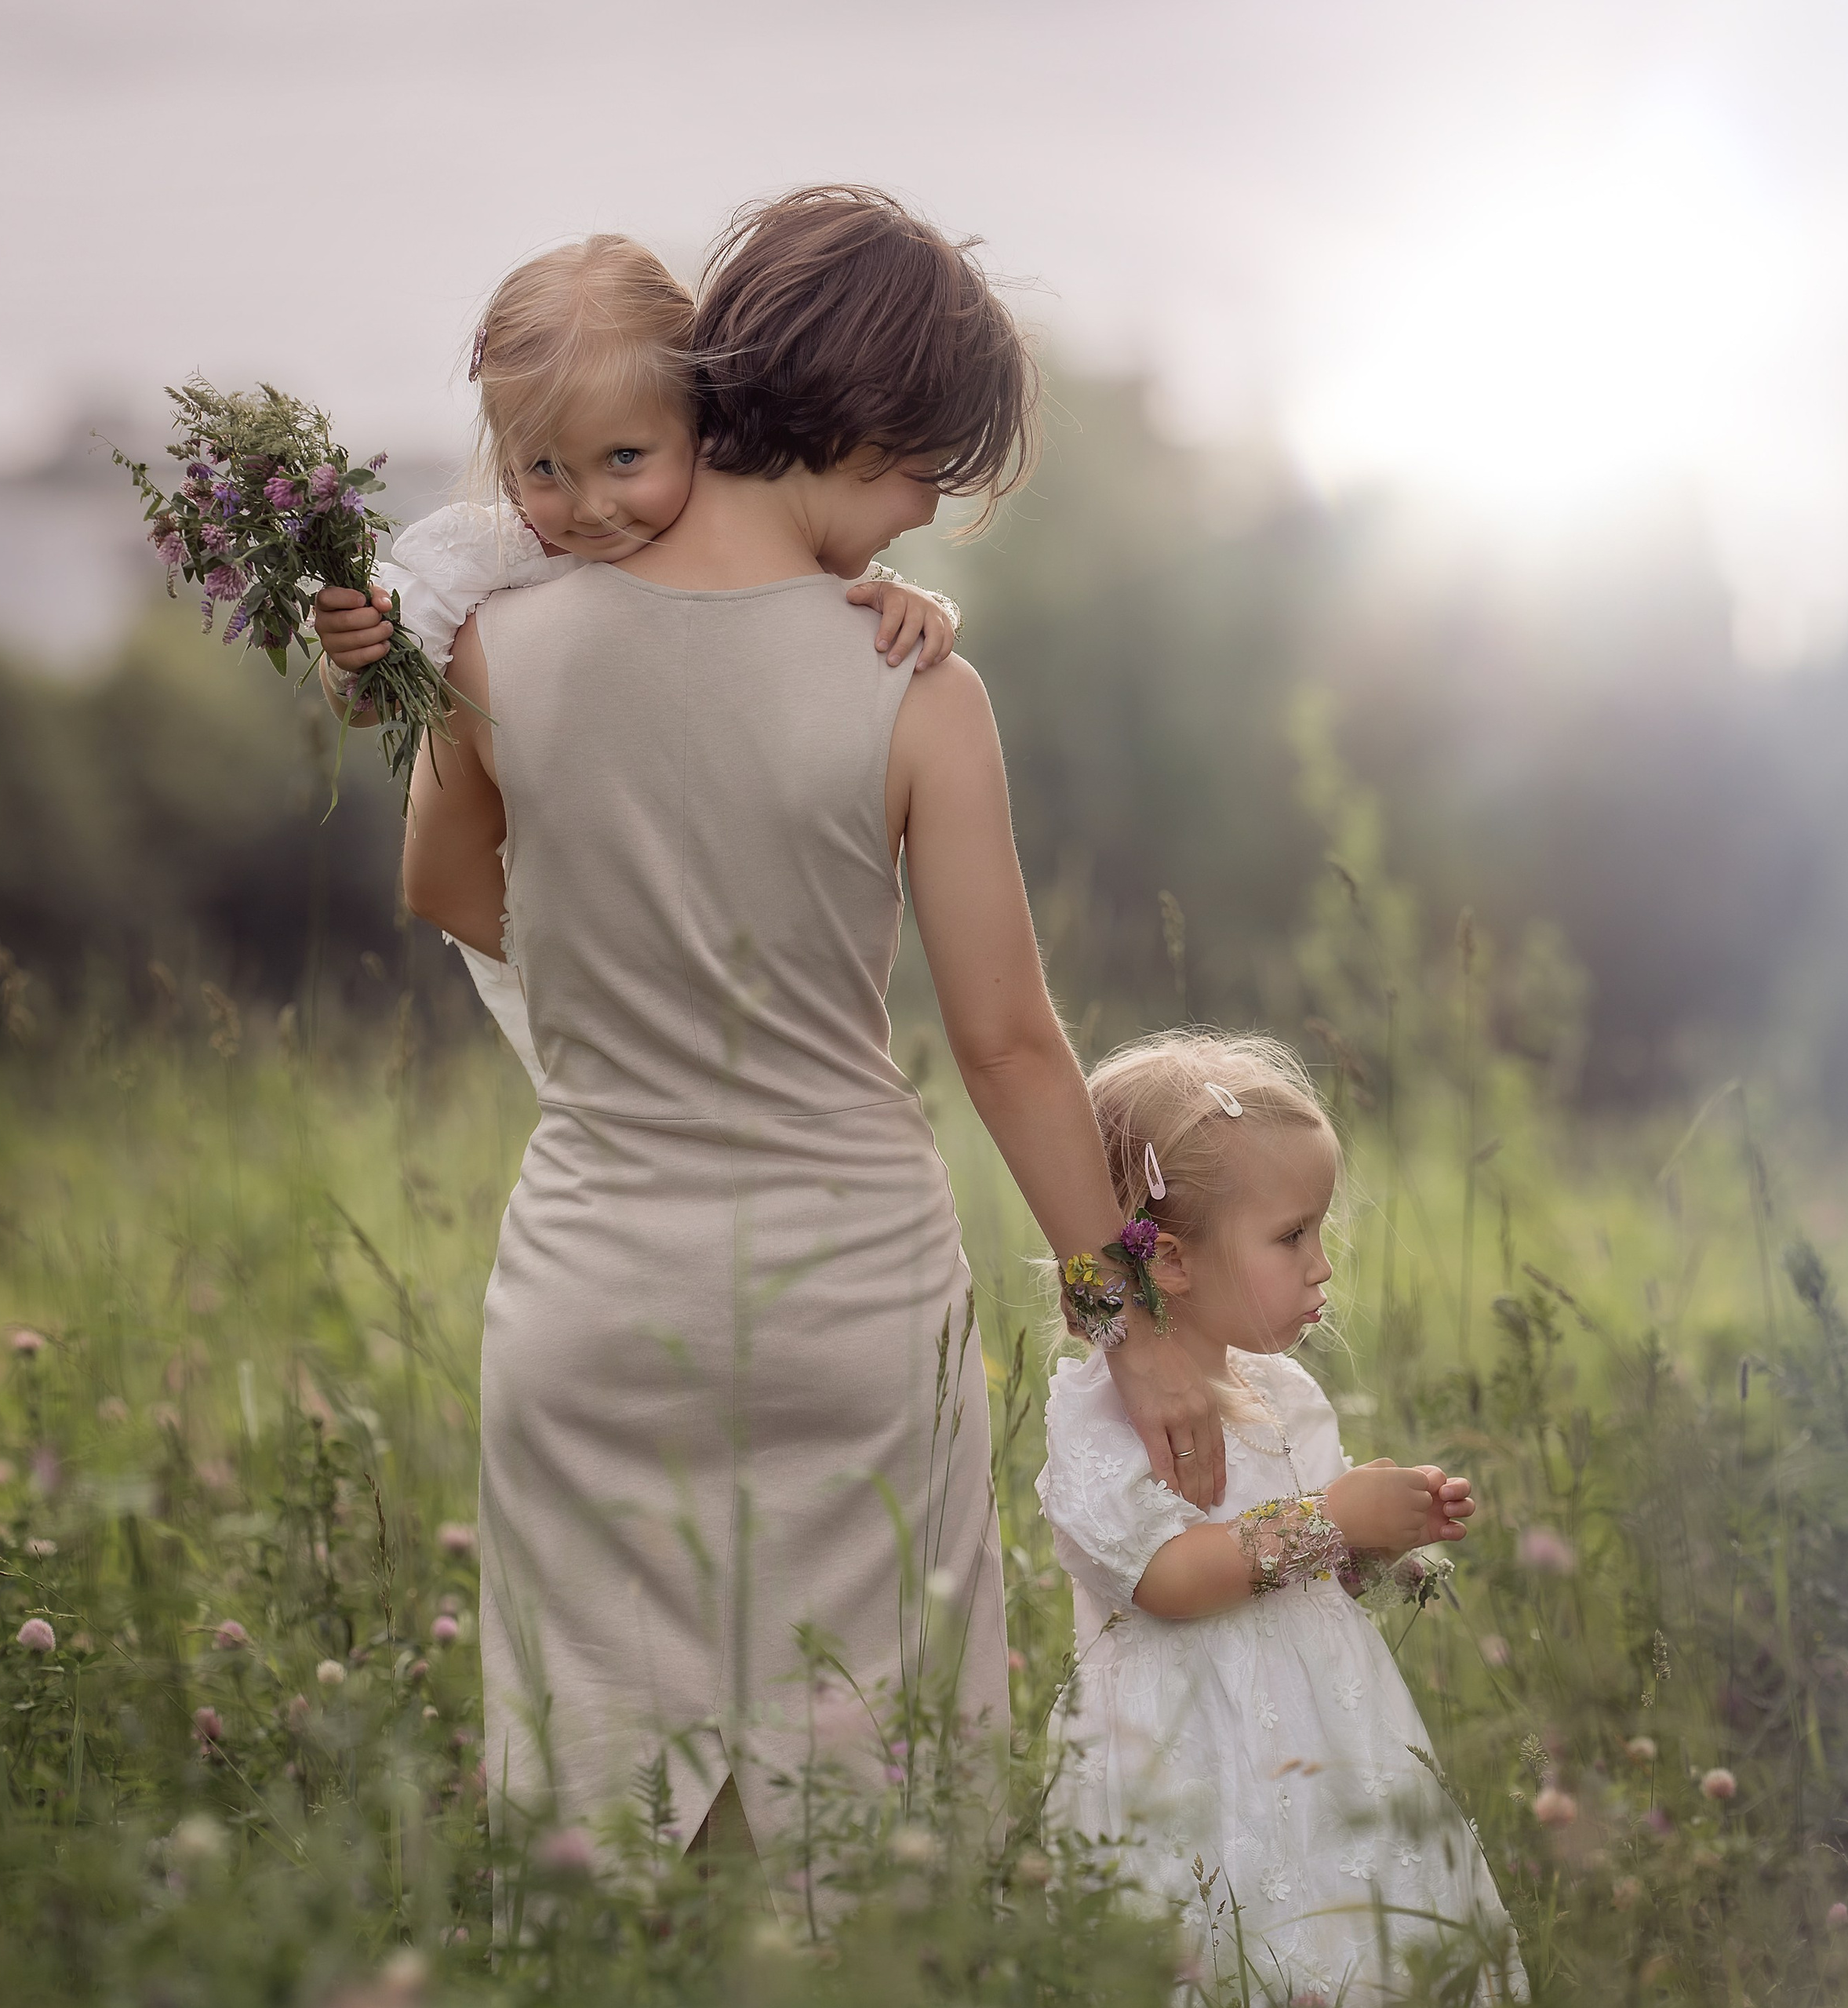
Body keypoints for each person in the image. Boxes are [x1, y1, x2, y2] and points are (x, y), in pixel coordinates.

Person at [393, 187, 1227, 1876]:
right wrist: (1128, 1319)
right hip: (849, 1302)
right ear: (863, 424)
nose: (925, 518)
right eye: (929, 472)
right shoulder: (915, 683)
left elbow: (452, 895)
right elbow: (1006, 1045)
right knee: (870, 1846)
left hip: (590, 1293)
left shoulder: (493, 648)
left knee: (594, 1821)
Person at [310, 235, 959, 1089]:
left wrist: (915, 601)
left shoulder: (726, 529)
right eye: (545, 469)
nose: (590, 506)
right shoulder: (490, 556)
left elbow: (826, 582)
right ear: (507, 467)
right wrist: (350, 652)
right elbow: (376, 691)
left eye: (624, 459)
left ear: (701, 424)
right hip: (567, 910)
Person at [1037, 1030, 1527, 2001]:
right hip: (1184, 1760)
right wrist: (1334, 1517)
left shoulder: (1287, 1394)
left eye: (1320, 1230)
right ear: (1170, 1259)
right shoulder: (1103, 1412)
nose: (1322, 1266)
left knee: (1348, 1936)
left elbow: (1318, 1563)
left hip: (1326, 1750)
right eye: (1292, 1234)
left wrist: (1379, 1540)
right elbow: (1168, 1582)